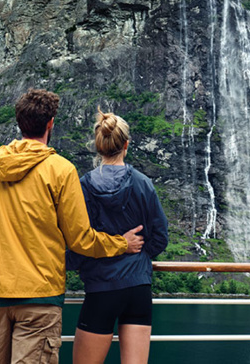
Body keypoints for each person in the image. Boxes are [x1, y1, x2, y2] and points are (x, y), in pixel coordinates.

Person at [0, 89, 145, 364]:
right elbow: (80, 240)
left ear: (19, 122)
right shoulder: (60, 169)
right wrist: (122, 243)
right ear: (51, 123)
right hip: (40, 296)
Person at [68, 109, 168, 364]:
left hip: (101, 287)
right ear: (126, 144)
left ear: (98, 146)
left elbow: (77, 241)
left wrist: (80, 264)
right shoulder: (143, 183)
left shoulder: (84, 186)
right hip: (138, 288)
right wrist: (135, 252)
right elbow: (160, 237)